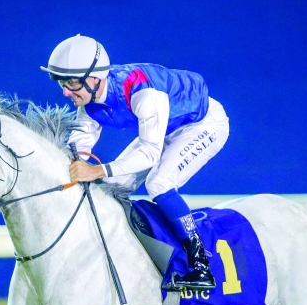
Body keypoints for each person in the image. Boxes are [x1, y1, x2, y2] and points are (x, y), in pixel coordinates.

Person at [41, 34, 230, 291]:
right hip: (166, 127)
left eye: (72, 83)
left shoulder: (142, 90)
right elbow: (79, 150)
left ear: (95, 78)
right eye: (62, 82)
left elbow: (150, 152)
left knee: (159, 183)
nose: (65, 91)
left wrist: (96, 170)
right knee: (112, 184)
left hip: (202, 124)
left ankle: (201, 266)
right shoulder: (88, 102)